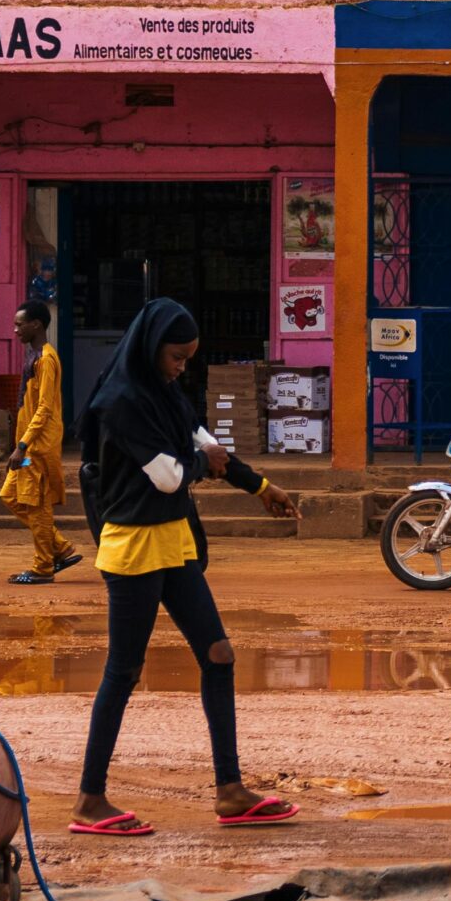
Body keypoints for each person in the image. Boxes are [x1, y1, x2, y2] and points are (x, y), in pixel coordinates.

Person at [71, 298, 301, 838]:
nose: (181, 368)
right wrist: (206, 464)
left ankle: (230, 791)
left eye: (187, 359)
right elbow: (170, 476)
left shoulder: (165, 393)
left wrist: (261, 487)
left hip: (172, 541)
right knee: (122, 672)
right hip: (132, 545)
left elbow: (205, 443)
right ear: (152, 348)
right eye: (176, 357)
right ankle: (89, 800)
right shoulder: (122, 401)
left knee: (219, 656)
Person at [0, 302, 79, 585]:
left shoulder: (46, 359)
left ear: (37, 325)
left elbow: (44, 408)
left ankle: (43, 566)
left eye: (20, 324)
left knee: (36, 504)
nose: (15, 329)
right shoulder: (34, 356)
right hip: (29, 443)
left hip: (37, 447)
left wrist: (22, 445)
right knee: (10, 495)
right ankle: (60, 547)